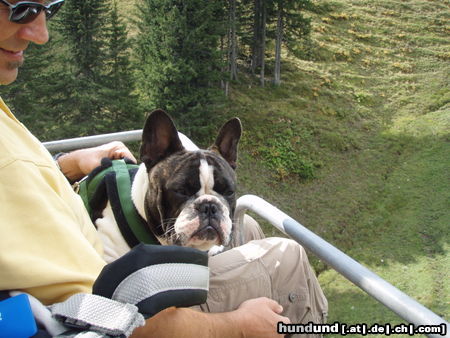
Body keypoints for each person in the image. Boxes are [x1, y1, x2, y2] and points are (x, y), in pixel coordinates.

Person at [0, 1, 327, 337]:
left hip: (110, 274)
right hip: (124, 303)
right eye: (21, 9)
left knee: (251, 227)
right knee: (287, 255)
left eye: (48, 9)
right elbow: (105, 316)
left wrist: (66, 165)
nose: (40, 33)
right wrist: (235, 326)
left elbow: (24, 185)